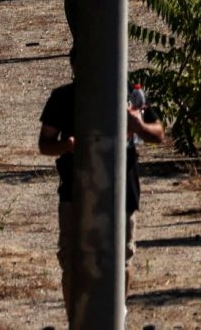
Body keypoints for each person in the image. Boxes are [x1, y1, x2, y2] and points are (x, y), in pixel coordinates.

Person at [40, 77, 169, 321]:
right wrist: (65, 146)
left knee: (122, 257)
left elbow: (158, 134)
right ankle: (75, 320)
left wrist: (138, 126)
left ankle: (117, 316)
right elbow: (44, 144)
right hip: (74, 191)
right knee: (72, 261)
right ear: (76, 67)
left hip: (122, 191)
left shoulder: (130, 94)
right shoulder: (63, 97)